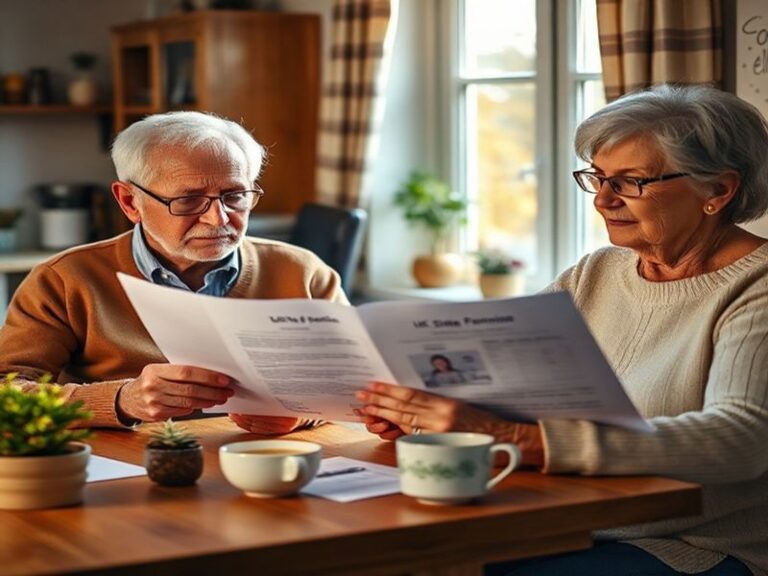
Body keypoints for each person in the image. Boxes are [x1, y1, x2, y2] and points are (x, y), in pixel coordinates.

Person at [356, 85, 768, 576]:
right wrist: (424, 415)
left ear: (718, 190)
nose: (603, 200)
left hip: (688, 546)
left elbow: (739, 441)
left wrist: (509, 435)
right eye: (597, 178)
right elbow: (505, 384)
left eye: (630, 182)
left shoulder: (756, 285)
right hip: (558, 515)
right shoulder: (594, 272)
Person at [0, 111, 347, 434]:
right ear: (130, 202)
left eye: (235, 196)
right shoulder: (65, 279)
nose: (219, 219)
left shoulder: (303, 272)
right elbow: (6, 393)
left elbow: (355, 384)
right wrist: (121, 400)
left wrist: (299, 413)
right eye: (188, 201)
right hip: (128, 473)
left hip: (264, 464)